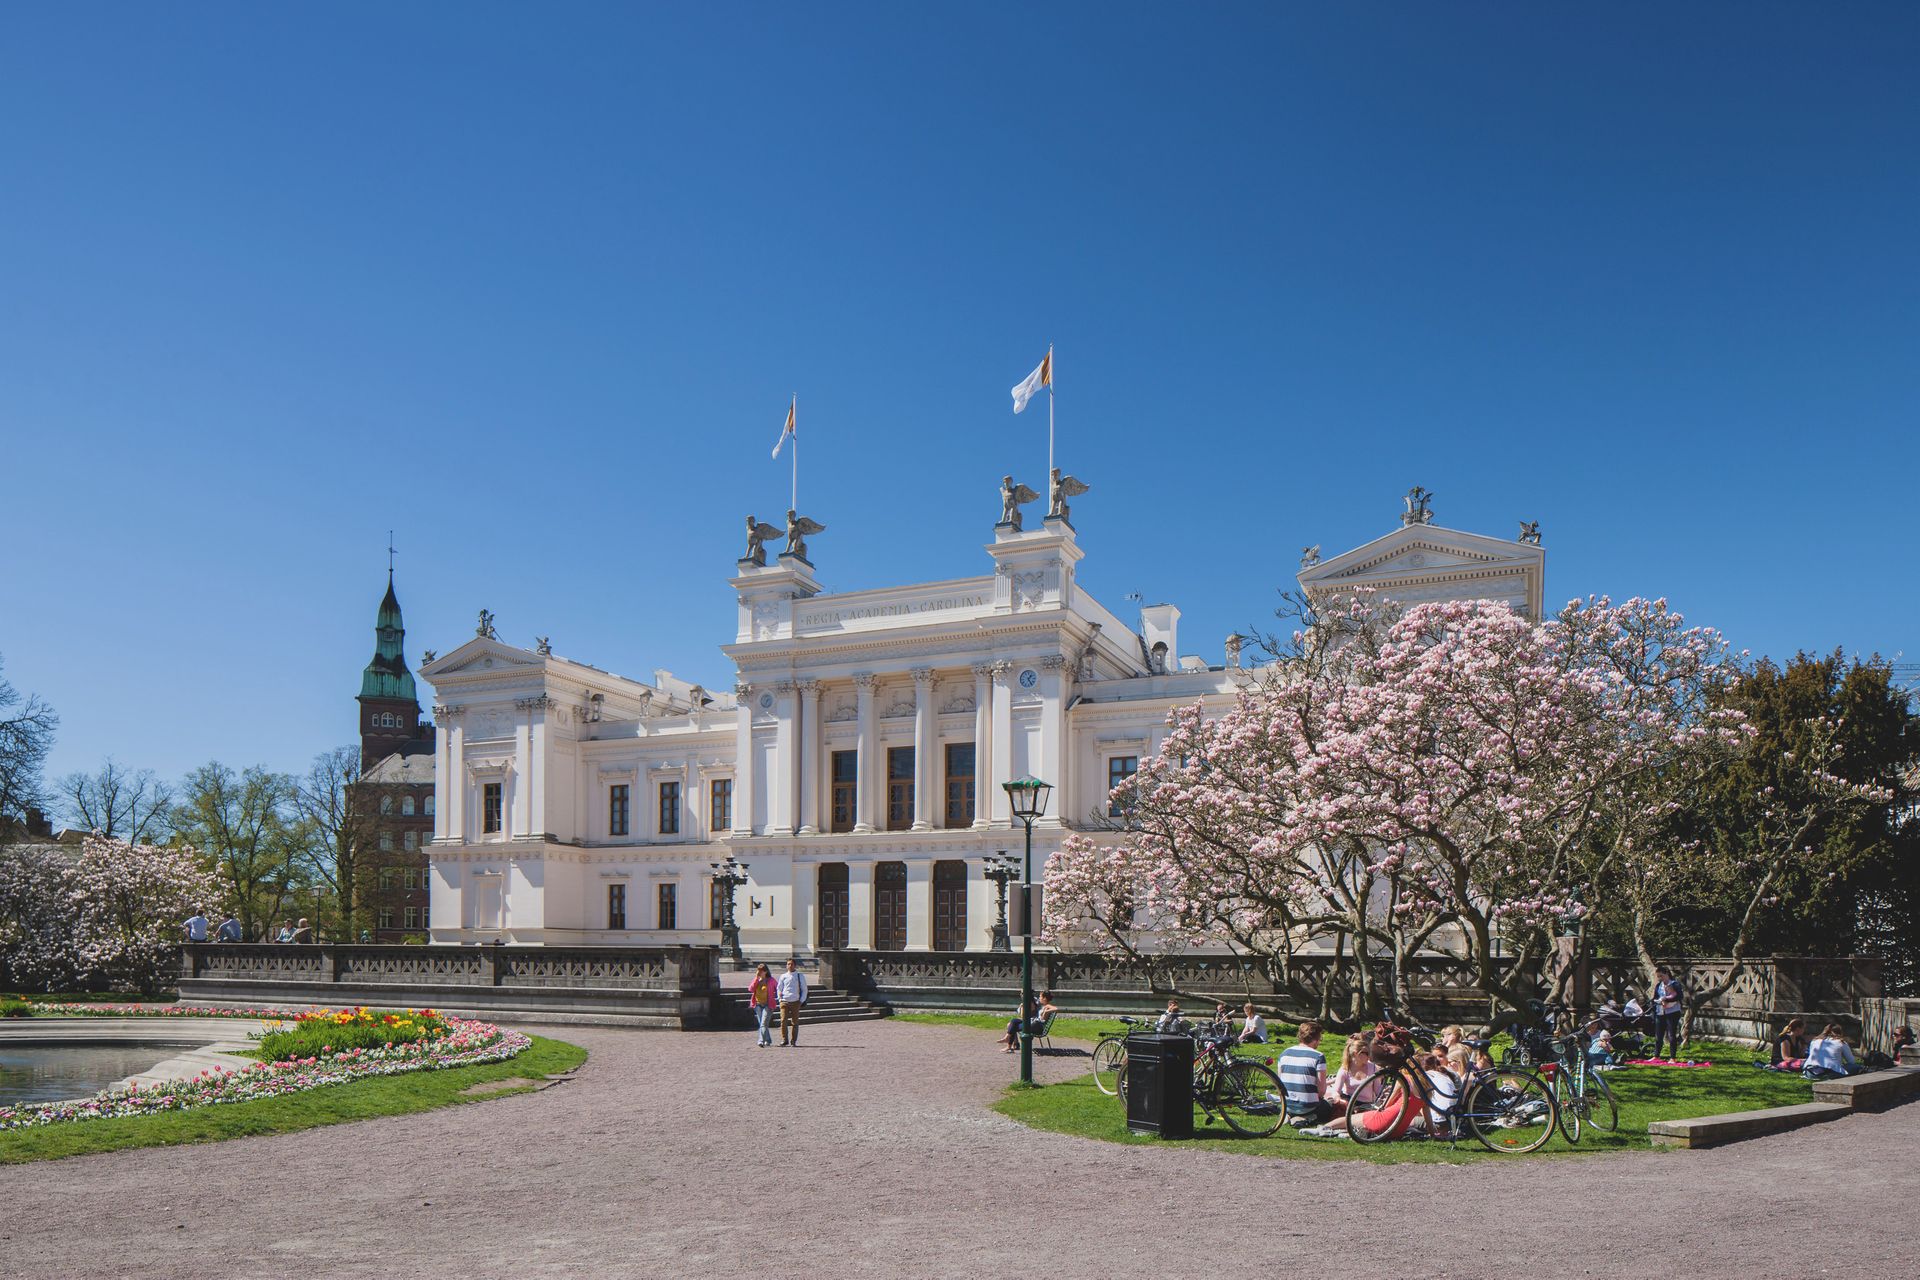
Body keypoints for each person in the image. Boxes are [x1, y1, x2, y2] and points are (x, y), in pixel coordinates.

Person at [1277, 1020, 1333, 1127]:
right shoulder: (1318, 1056)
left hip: (1286, 1103)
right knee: (1328, 1106)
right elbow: (1321, 1091)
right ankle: (1305, 1117)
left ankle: (1289, 1115)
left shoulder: (1284, 1053)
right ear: (1316, 1039)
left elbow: (1280, 1082)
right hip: (1307, 1106)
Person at [1330, 1032, 1376, 1114]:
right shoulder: (1345, 1069)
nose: (1369, 1056)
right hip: (1349, 1102)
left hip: (1367, 1105)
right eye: (1366, 1053)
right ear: (1356, 1054)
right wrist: (1338, 1099)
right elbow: (1336, 1091)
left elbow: (1378, 1089)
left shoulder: (1372, 1067)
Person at [1651, 968, 1684, 1059]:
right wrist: (1656, 1002)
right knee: (1658, 1035)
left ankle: (1672, 1057)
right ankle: (1656, 1056)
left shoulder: (1675, 984)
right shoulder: (1659, 985)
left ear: (1666, 974)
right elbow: (1655, 997)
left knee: (1671, 1035)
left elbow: (1679, 996)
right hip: (1660, 1012)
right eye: (1658, 977)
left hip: (1672, 1012)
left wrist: (1666, 999)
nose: (1660, 978)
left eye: (1661, 976)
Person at [775, 957, 808, 1047]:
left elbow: (804, 989)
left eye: (791, 964)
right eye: (788, 964)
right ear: (786, 966)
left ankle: (793, 1040)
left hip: (795, 1001)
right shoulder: (783, 976)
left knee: (794, 1022)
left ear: (795, 965)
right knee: (783, 1021)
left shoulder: (799, 975)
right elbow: (779, 988)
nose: (790, 966)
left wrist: (801, 1001)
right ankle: (784, 1039)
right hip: (784, 1001)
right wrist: (780, 999)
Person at [748, 963, 776, 1048]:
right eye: (758, 970)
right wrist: (756, 979)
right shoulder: (757, 979)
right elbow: (751, 989)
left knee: (763, 1023)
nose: (759, 972)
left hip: (768, 1005)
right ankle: (768, 1039)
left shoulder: (771, 980)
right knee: (762, 1024)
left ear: (766, 971)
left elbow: (778, 988)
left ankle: (761, 1041)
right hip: (758, 1004)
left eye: (761, 970)